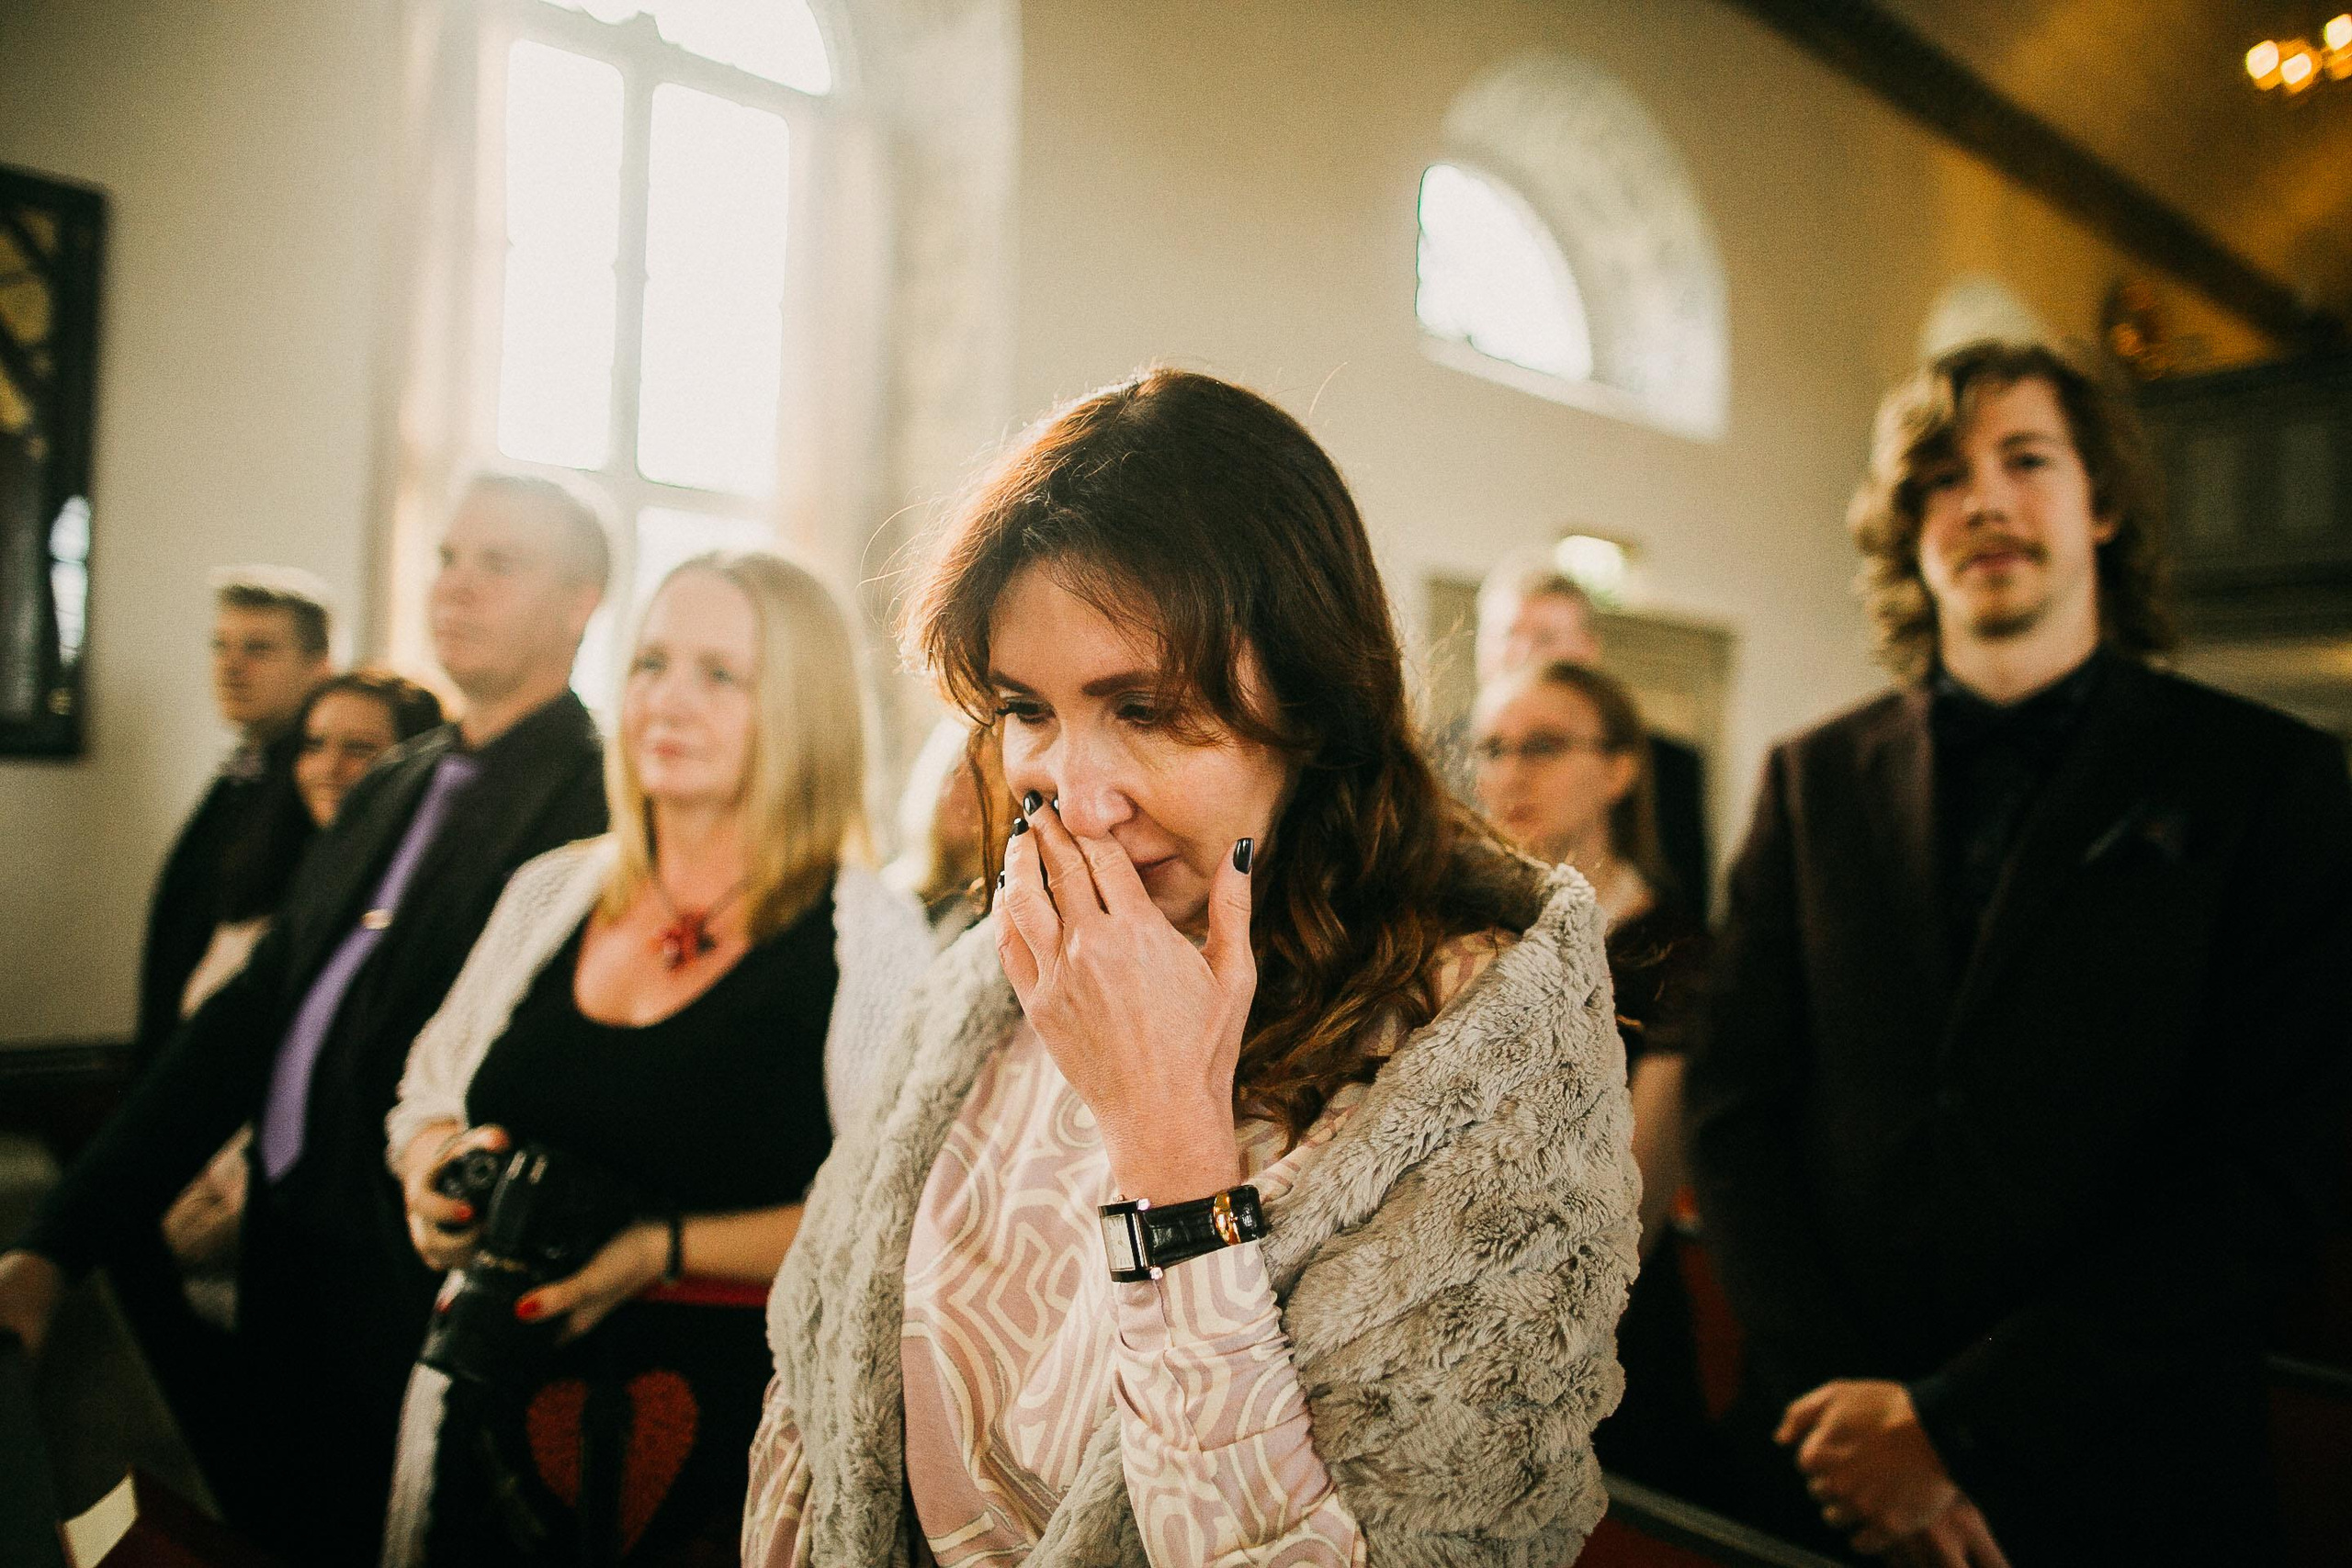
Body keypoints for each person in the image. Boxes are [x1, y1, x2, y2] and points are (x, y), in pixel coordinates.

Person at [741, 369, 1640, 1568]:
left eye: (1150, 707)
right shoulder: (991, 981)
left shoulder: (1477, 1048)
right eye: (1028, 707)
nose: (1076, 786)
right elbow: (813, 1414)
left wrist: (1170, 1149)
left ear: (1313, 702)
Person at [1690, 340, 2352, 1566]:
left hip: (2127, 1470)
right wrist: (1860, 1429)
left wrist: (1957, 1427)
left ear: (2100, 503)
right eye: (1941, 476)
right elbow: (1737, 1110)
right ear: (1907, 528)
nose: (1983, 498)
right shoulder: (1810, 778)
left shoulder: (2267, 779)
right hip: (1827, 1471)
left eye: (2026, 459)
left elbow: (2270, 1163)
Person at [0, 471, 615, 1565]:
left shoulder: (596, 800)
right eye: (446, 560)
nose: (455, 587)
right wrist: (55, 1244)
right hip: (287, 1274)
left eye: (498, 564)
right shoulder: (396, 782)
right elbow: (246, 1023)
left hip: (415, 1286)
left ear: (580, 601)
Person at [379, 552, 933, 1565]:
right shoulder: (550, 896)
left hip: (724, 1448)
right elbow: (426, 1097)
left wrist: (658, 1249)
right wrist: (433, 1179)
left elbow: (894, 1222)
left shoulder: (867, 936)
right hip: (488, 1406)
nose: (667, 702)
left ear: (801, 708)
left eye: (720, 675)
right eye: (650, 663)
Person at [1472, 658, 1720, 1503]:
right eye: (1493, 747)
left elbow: (1636, 1208)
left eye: (1542, 746)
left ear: (1619, 769)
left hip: (1589, 1340)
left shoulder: (1675, 949)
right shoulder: (1460, 921)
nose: (1509, 773)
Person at [164, 669, 447, 1332]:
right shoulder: (268, 880)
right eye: (315, 744)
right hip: (214, 1180)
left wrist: (241, 1211)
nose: (329, 767)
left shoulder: (417, 901)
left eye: (361, 749)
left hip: (318, 1214)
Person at [136, 569, 334, 1073]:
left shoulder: (319, 786)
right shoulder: (245, 768)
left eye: (259, 649)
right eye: (221, 645)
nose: (231, 666)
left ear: (319, 665)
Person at [1475, 558, 1713, 919]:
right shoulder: (1434, 752)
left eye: (1545, 638)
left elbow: (1685, 895)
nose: (1523, 655)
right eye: (1508, 636)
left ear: (1588, 649)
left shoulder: (1665, 761)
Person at [882, 714, 1010, 944]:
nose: (965, 793)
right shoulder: (889, 899)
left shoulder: (999, 919)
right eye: (956, 772)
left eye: (984, 778)